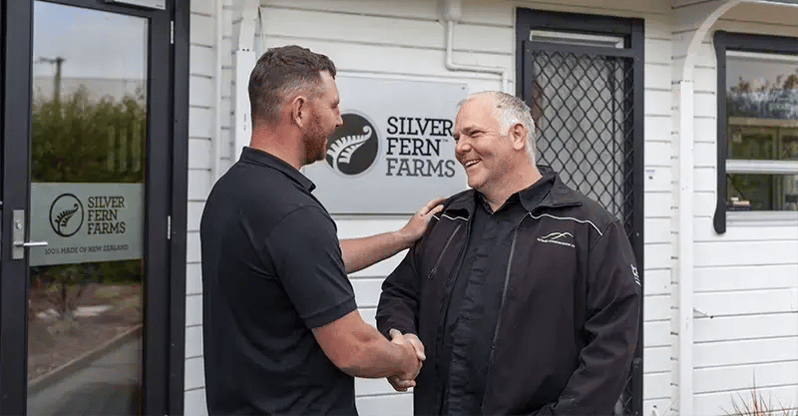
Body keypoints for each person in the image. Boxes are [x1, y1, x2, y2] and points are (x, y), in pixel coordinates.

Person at [200, 45, 438, 415]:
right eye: (333, 106)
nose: (340, 120)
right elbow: (354, 349)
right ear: (298, 110)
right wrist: (403, 358)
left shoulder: (232, 192)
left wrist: (402, 237)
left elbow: (306, 263)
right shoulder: (292, 213)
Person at [376, 91, 641, 415]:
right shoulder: (447, 220)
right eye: (457, 137)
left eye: (473, 134)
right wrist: (401, 335)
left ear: (517, 135)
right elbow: (399, 292)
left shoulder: (588, 228)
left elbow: (612, 347)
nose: (460, 147)